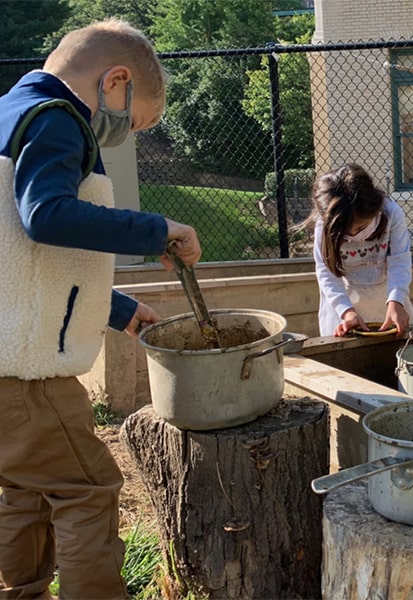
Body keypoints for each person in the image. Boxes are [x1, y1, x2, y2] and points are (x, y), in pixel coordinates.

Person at [0, 19, 202, 599]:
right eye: (130, 120)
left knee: (25, 492)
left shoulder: (12, 113)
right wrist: (155, 229)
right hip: (31, 375)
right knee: (88, 491)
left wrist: (116, 308)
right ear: (116, 81)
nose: (119, 133)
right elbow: (47, 218)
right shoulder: (57, 121)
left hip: (8, 361)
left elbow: (19, 264)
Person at [307, 163, 413, 337]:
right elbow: (326, 273)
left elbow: (400, 262)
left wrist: (396, 301)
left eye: (360, 228)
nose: (353, 235)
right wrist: (347, 312)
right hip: (342, 308)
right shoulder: (324, 224)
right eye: (346, 232)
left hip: (387, 303)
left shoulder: (391, 213)